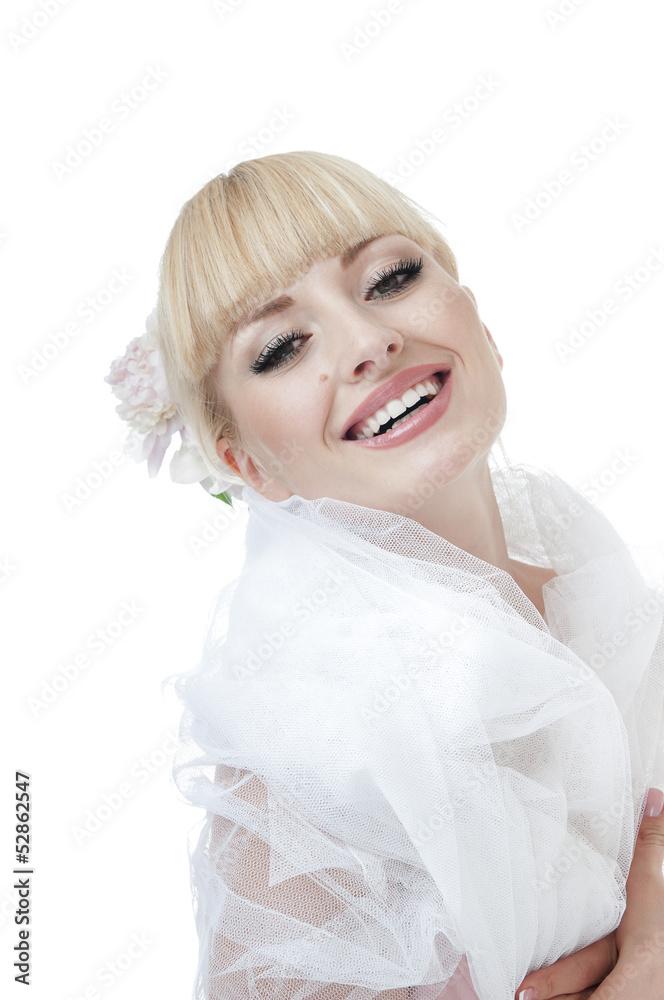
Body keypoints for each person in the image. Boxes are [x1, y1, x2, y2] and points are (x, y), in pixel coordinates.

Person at [105, 151, 664, 1000]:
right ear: (245, 464)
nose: (370, 341)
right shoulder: (310, 789)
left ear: (478, 318)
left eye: (391, 276)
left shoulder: (595, 583)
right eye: (284, 346)